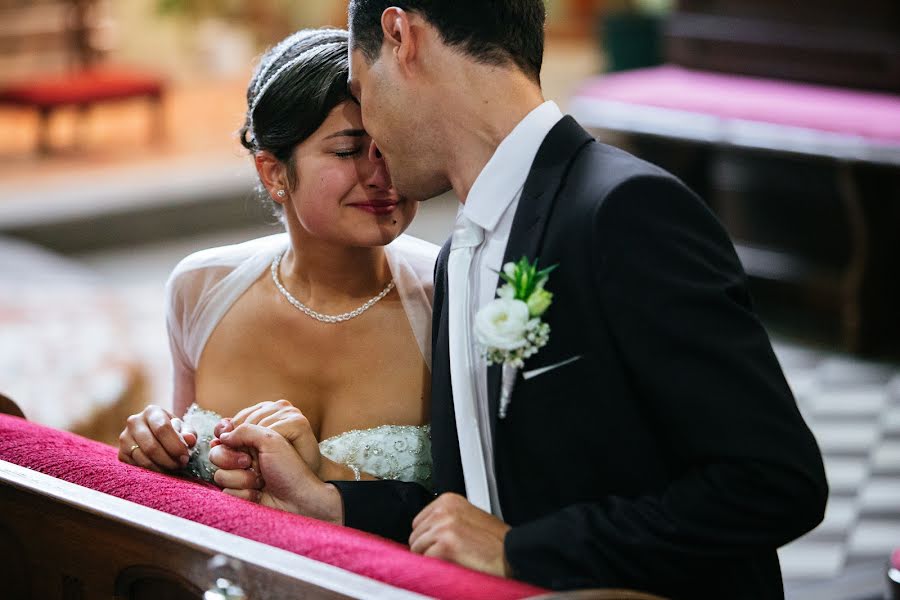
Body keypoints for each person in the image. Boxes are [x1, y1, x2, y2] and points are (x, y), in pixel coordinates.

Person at [212, 3, 829, 598]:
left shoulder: (622, 209)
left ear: (401, 37)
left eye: (359, 83)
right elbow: (473, 508)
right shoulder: (459, 253)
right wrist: (329, 503)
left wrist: (522, 551)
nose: (368, 122)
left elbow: (773, 482)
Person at [117, 28, 438, 499]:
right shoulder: (201, 288)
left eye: (392, 144)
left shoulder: (447, 296)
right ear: (273, 172)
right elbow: (185, 487)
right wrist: (157, 446)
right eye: (348, 151)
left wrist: (318, 476)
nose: (382, 175)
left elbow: (483, 503)